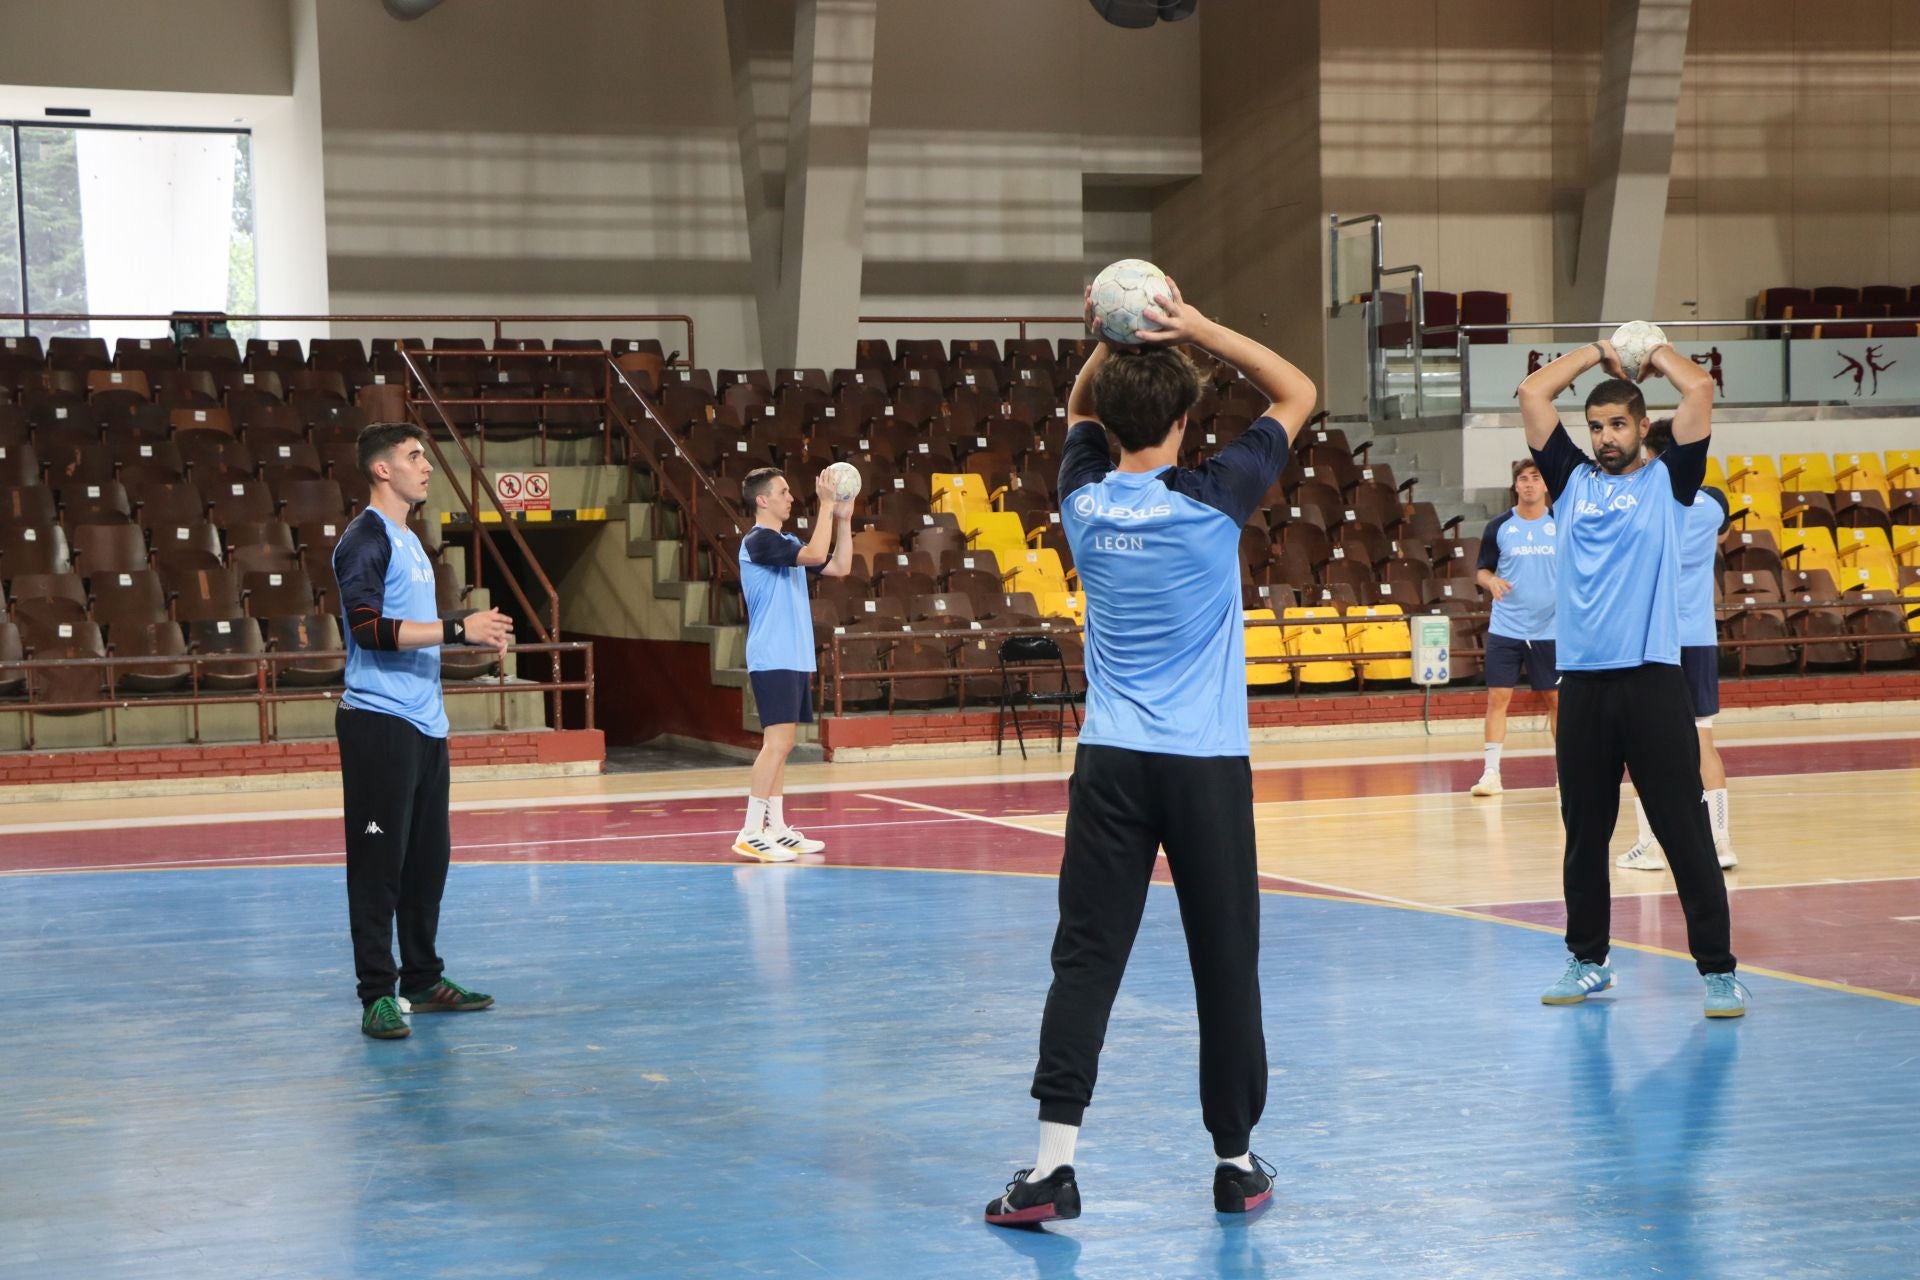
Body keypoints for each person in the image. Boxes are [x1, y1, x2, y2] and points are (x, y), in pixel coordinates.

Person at [984, 279, 1317, 1227]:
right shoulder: (1217, 500)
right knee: (1225, 963)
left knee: (1085, 959)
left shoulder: (1082, 499)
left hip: (1113, 763)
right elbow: (1295, 393)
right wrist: (1200, 326)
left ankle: (1053, 1170)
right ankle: (1236, 1163)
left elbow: (1081, 409)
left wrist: (1109, 336)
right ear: (1185, 415)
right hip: (1206, 767)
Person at [1516, 341, 1746, 1018]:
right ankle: (1589, 961)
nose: (1605, 437)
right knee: (1585, 833)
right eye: (1596, 427)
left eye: (1618, 425)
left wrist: (1652, 354)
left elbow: (1699, 389)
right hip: (1582, 685)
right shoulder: (1571, 482)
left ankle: (1718, 971)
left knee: (1683, 830)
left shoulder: (1670, 484)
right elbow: (1533, 395)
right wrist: (1594, 353)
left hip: (1650, 682)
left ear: (1644, 427)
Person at [333, 422, 513, 1040]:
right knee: (378, 863)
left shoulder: (412, 540)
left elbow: (412, 628)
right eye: (415, 457)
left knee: (426, 862)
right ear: (382, 469)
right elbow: (367, 630)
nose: (427, 467)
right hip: (378, 723)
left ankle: (422, 977)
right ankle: (377, 994)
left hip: (425, 723)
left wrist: (461, 633)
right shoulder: (365, 539)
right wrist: (460, 629)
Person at [1617, 419, 1737, 871]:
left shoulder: (1640, 504)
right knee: (1704, 741)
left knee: (1647, 747)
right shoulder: (1713, 505)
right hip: (1700, 637)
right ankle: (1721, 841)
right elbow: (1722, 534)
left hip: (1655, 640)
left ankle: (1650, 844)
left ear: (1651, 454)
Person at [732, 467, 853, 863]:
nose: (790, 497)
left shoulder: (784, 541)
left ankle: (777, 828)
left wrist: (843, 521)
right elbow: (817, 554)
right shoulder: (758, 541)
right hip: (773, 654)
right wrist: (825, 504)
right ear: (762, 500)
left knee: (782, 747)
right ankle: (751, 830)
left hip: (794, 655)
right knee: (777, 744)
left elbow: (838, 567)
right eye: (783, 492)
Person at [1468, 459, 1559, 797]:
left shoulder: (1561, 522)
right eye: (1523, 479)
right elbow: (1481, 570)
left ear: (1545, 485)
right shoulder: (1500, 526)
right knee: (1497, 697)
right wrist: (1490, 581)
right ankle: (1491, 773)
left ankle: (1566, 773)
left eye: (1536, 478)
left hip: (1551, 629)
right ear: (1515, 486)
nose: (1530, 484)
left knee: (1556, 699)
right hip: (1507, 627)